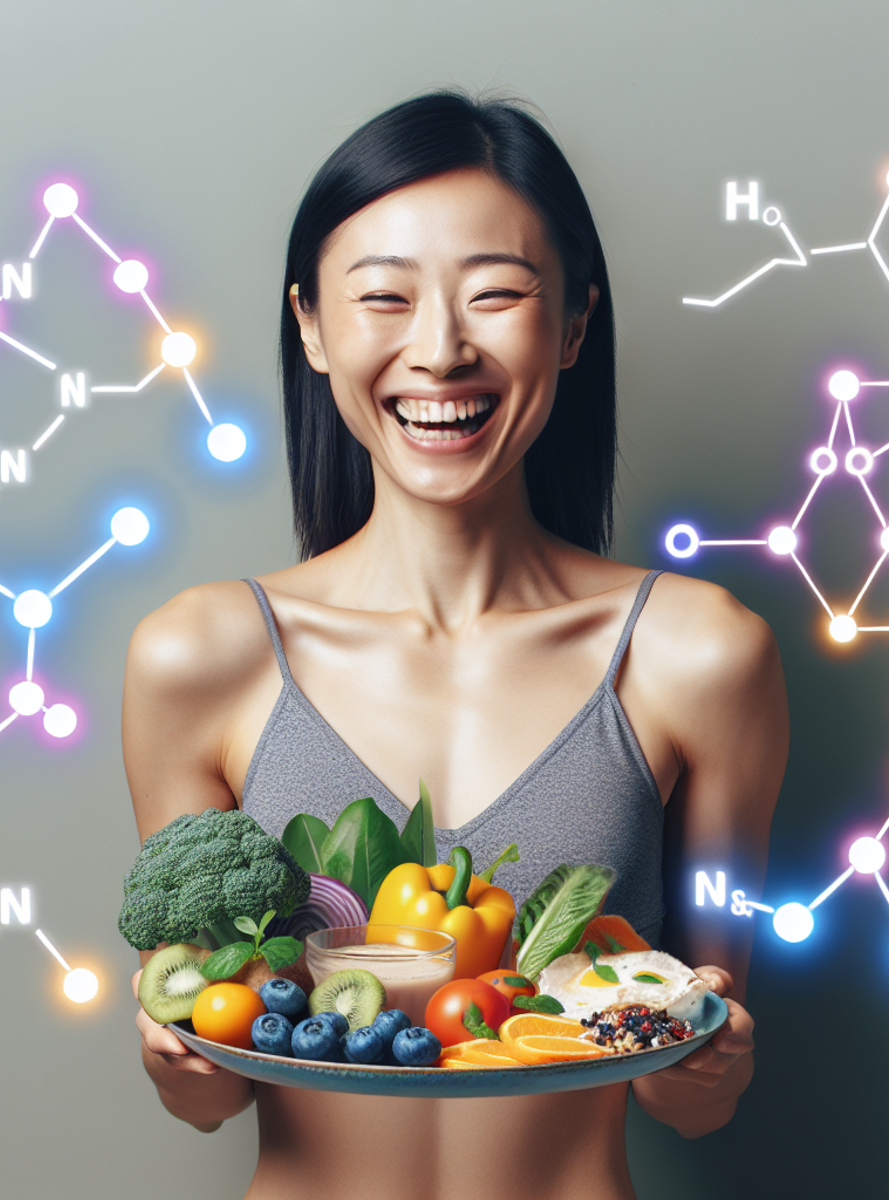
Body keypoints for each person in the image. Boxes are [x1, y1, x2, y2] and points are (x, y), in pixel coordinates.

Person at [124, 91, 787, 1200]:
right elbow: (212, 1092)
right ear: (313, 325)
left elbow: (692, 1095)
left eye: (497, 295)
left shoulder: (698, 655)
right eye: (384, 296)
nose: (439, 350)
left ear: (573, 325)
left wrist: (711, 1064)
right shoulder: (201, 657)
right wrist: (175, 1058)